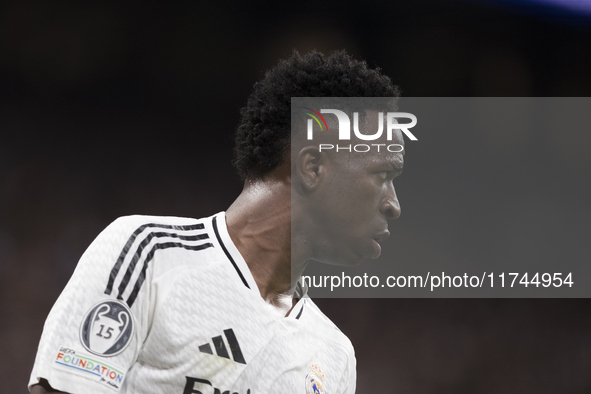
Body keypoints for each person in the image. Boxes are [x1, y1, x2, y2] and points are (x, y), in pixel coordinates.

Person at [29, 50, 404, 394]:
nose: (393, 205)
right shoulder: (148, 254)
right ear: (312, 168)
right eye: (383, 175)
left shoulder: (334, 357)